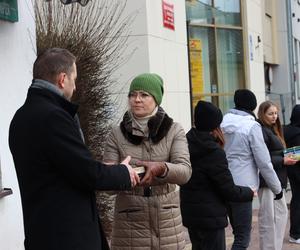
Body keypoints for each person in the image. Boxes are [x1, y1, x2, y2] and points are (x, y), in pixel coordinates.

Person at [8, 48, 140, 250]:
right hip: (67, 237)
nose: (75, 86)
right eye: (74, 79)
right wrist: (123, 173)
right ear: (62, 79)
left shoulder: (20, 117)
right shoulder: (53, 118)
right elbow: (86, 173)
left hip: (41, 233)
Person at [103, 73, 192, 249]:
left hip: (168, 223)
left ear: (156, 99)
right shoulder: (116, 133)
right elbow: (106, 184)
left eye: (144, 95)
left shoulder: (174, 130)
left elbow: (185, 172)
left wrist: (162, 168)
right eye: (132, 95)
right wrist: (121, 175)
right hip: (129, 223)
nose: (137, 100)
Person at [180, 100, 255, 250]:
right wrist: (248, 192)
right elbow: (227, 189)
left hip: (191, 215)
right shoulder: (213, 151)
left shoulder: (185, 143)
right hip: (211, 218)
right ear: (215, 124)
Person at [221, 89, 282, 250]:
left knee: (230, 233)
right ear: (253, 105)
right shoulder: (251, 126)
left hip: (222, 181)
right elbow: (264, 162)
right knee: (242, 237)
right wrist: (277, 189)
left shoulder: (222, 122)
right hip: (243, 188)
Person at [257, 101, 297, 250]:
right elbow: (262, 158)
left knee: (279, 216)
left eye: (275, 113)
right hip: (268, 181)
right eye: (270, 114)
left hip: (277, 178)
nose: (274, 116)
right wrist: (283, 159)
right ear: (262, 114)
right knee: (270, 219)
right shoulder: (262, 130)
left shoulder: (273, 129)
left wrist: (288, 155)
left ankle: (275, 247)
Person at [284, 104, 300, 244]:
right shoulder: (296, 133)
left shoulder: (287, 130)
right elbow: (295, 156)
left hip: (292, 171)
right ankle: (295, 234)